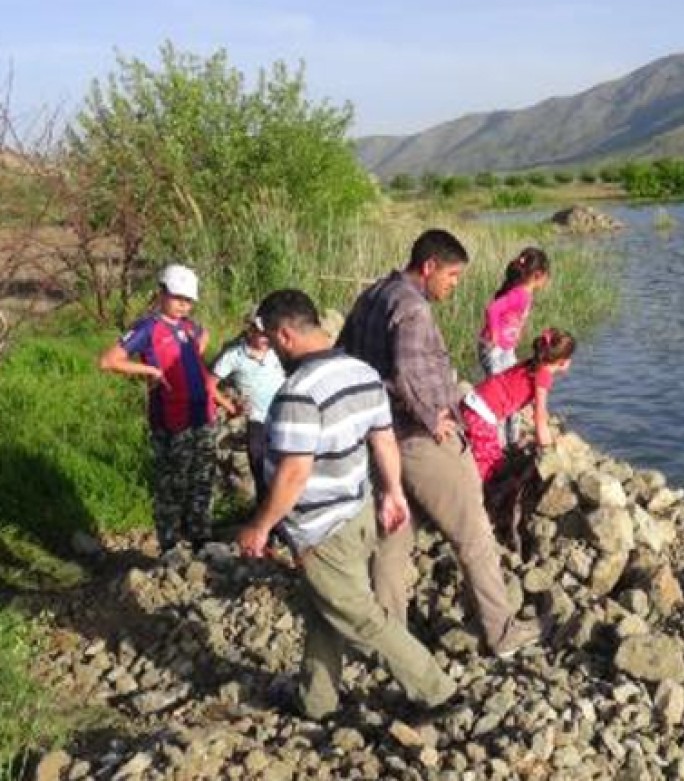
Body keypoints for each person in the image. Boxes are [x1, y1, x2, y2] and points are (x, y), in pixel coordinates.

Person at [237, 289, 457, 720]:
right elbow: (383, 439)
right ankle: (317, 700)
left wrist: (260, 525)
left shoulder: (297, 393)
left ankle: (438, 692)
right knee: (325, 609)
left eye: (267, 337)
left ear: (284, 335)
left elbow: (293, 474)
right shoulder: (362, 372)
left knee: (360, 618)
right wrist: (392, 492)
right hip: (356, 514)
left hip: (320, 530)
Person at [337, 229, 540, 658]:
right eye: (451, 275)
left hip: (381, 438)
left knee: (394, 539)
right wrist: (435, 418)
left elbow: (345, 357)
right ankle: (501, 633)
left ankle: (387, 638)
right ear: (428, 267)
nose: (454, 284)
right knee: (475, 536)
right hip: (419, 439)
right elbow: (408, 374)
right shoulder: (412, 308)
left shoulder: (374, 295)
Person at [99, 263, 218, 552]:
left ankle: (200, 538)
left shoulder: (190, 327)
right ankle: (170, 544)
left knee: (202, 478)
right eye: (177, 298)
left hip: (203, 413)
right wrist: (149, 371)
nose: (183, 305)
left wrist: (196, 353)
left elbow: (206, 334)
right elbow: (108, 361)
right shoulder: (147, 327)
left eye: (188, 300)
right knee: (172, 483)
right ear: (161, 293)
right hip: (170, 418)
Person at [463, 328, 575, 484]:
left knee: (492, 456)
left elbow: (534, 404)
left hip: (474, 401)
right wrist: (547, 447)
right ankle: (475, 498)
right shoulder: (544, 376)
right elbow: (540, 417)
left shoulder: (533, 364)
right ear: (563, 361)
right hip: (481, 414)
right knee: (488, 465)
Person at [211, 311, 286, 504]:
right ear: (250, 330)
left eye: (268, 333)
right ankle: (262, 508)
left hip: (282, 416)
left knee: (285, 463)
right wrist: (229, 404)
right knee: (258, 462)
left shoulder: (277, 352)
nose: (265, 338)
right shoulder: (234, 356)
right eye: (261, 333)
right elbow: (209, 384)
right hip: (257, 419)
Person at [477, 247, 550, 445]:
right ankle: (499, 445)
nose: (547, 281)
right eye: (547, 276)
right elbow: (492, 309)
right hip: (494, 349)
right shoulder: (520, 294)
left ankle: (512, 442)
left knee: (513, 392)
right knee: (500, 396)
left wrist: (514, 336)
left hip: (505, 349)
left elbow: (512, 318)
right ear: (538, 275)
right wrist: (493, 333)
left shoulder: (525, 293)